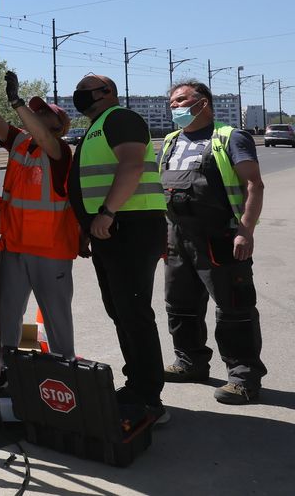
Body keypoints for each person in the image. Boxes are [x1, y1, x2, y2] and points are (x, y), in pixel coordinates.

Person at [67, 73, 169, 424]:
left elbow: (132, 165)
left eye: (84, 91)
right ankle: (136, 384)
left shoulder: (121, 119)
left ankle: (149, 397)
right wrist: (88, 228)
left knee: (134, 312)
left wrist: (107, 213)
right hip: (112, 231)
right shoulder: (98, 126)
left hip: (131, 227)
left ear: (106, 92)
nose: (78, 96)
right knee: (121, 311)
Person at [159, 81, 266, 404]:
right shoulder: (170, 141)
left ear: (202, 103)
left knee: (234, 309)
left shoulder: (230, 137)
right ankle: (190, 363)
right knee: (180, 306)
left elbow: (254, 185)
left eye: (180, 101)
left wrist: (245, 230)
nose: (174, 107)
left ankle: (244, 378)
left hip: (219, 237)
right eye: (171, 103)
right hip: (178, 236)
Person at [0, 72, 79, 374]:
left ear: (58, 127)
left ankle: (65, 374)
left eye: (44, 112)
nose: (37, 113)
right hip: (15, 246)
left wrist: (17, 101)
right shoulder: (20, 143)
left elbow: (43, 138)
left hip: (50, 251)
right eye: (35, 110)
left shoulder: (60, 151)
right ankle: (6, 372)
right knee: (7, 315)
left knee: (56, 318)